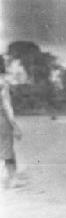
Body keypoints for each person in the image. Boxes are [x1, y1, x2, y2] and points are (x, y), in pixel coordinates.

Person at [0, 55, 23, 189]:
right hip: (2, 121)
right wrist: (15, 126)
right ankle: (13, 179)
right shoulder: (3, 84)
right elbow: (7, 107)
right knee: (8, 150)